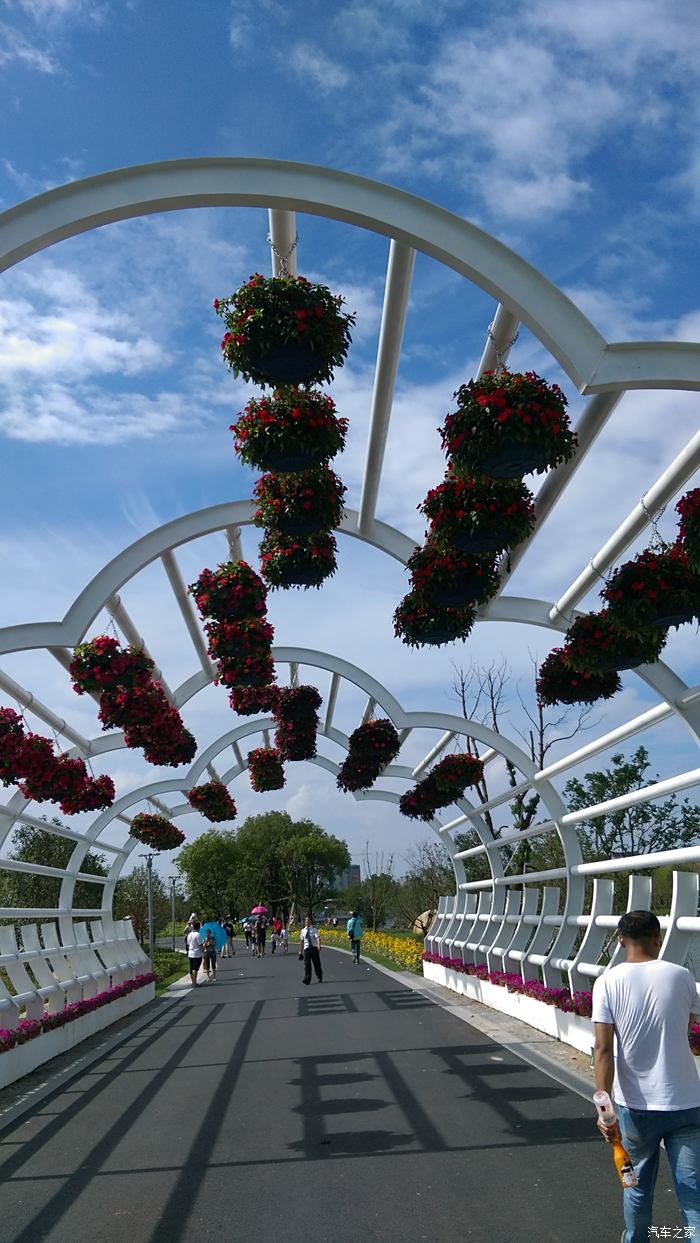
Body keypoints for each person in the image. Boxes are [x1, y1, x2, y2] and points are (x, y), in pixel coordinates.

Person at [592, 909, 700, 1243]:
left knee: (636, 1187)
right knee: (692, 1194)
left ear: (621, 940)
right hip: (686, 1103)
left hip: (636, 1108)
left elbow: (603, 1050)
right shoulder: (681, 975)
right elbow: (690, 1032)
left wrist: (604, 1111)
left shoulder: (607, 982)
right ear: (658, 939)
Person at [299, 915, 322, 985]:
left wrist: (318, 945)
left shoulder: (314, 929)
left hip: (314, 948)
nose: (307, 922)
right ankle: (307, 979)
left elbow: (317, 937)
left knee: (316, 964)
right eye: (306, 920)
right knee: (307, 965)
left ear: (311, 922)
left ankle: (319, 975)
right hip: (306, 949)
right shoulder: (303, 931)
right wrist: (301, 951)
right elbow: (302, 941)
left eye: (308, 920)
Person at [185, 919, 203, 988]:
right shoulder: (198, 935)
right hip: (197, 953)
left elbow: (188, 944)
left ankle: (193, 982)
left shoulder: (189, 934)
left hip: (190, 953)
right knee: (195, 969)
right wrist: (203, 952)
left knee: (191, 968)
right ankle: (194, 983)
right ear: (198, 927)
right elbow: (200, 945)